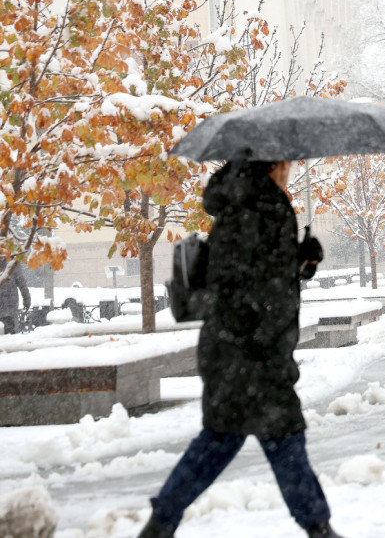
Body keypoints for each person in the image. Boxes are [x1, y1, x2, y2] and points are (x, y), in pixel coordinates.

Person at [138, 160, 340, 538]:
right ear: (272, 166)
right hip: (248, 354)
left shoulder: (253, 205)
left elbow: (262, 275)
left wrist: (302, 260)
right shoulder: (255, 210)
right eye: (288, 164)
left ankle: (161, 523)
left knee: (230, 440)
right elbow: (237, 286)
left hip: (240, 352)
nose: (291, 170)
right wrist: (265, 334)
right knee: (278, 438)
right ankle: (319, 528)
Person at [0, 258, 30, 335]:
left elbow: (22, 283)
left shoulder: (13, 266)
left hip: (9, 306)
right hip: (8, 305)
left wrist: (26, 298)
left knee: (9, 332)